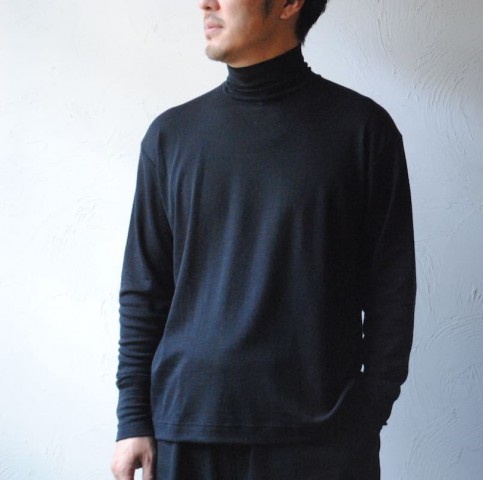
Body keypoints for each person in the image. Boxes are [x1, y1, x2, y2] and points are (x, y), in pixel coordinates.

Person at [110, 0, 416, 478]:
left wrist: (366, 416)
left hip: (322, 442)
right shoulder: (171, 137)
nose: (206, 3)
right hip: (188, 434)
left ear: (290, 4)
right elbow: (144, 288)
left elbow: (392, 291)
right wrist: (132, 417)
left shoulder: (363, 132)